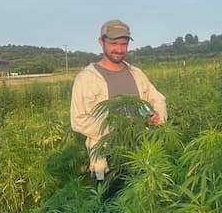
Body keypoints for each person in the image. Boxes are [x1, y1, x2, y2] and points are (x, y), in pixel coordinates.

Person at [70, 19, 167, 186]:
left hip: (142, 154)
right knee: (111, 208)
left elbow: (158, 99)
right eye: (113, 43)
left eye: (124, 44)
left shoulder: (136, 73)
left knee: (143, 206)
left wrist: (157, 116)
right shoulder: (86, 78)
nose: (119, 49)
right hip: (107, 159)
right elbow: (78, 120)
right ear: (101, 42)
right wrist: (119, 129)